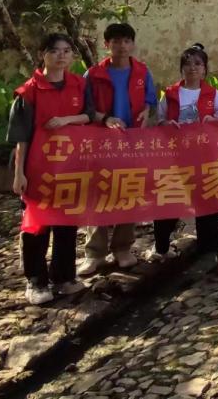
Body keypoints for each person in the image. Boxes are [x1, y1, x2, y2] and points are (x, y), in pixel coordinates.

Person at [10, 33, 93, 305]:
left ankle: (64, 277)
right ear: (42, 54)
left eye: (67, 51)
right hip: (37, 169)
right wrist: (19, 173)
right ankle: (36, 280)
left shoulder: (79, 85)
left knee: (66, 224)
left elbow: (89, 115)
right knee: (37, 225)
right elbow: (21, 137)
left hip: (70, 167)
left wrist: (66, 120)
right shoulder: (29, 92)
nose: (61, 56)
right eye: (55, 50)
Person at [78, 22, 158, 276]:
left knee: (128, 192)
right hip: (101, 144)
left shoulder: (142, 72)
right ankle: (95, 252)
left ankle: (123, 248)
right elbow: (85, 109)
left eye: (126, 41)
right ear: (107, 44)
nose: (122, 46)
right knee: (98, 196)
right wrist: (105, 119)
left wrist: (146, 111)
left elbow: (151, 102)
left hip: (131, 144)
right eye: (116, 41)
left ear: (132, 44)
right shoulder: (93, 75)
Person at [155, 44, 218, 269]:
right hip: (176, 157)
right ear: (181, 69)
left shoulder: (213, 93)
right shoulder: (170, 94)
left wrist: (216, 120)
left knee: (208, 200)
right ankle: (161, 246)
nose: (192, 68)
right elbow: (159, 122)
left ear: (205, 69)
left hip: (204, 156)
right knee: (170, 199)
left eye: (198, 64)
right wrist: (166, 124)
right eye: (188, 64)